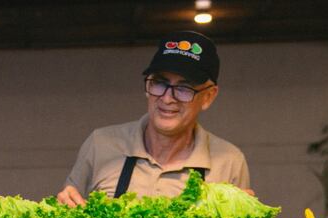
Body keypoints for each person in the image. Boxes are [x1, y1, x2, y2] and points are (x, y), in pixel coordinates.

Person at [57, 30, 250, 207]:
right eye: (159, 83)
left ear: (208, 96)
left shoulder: (229, 161)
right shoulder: (101, 145)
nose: (167, 98)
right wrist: (64, 206)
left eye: (184, 88)